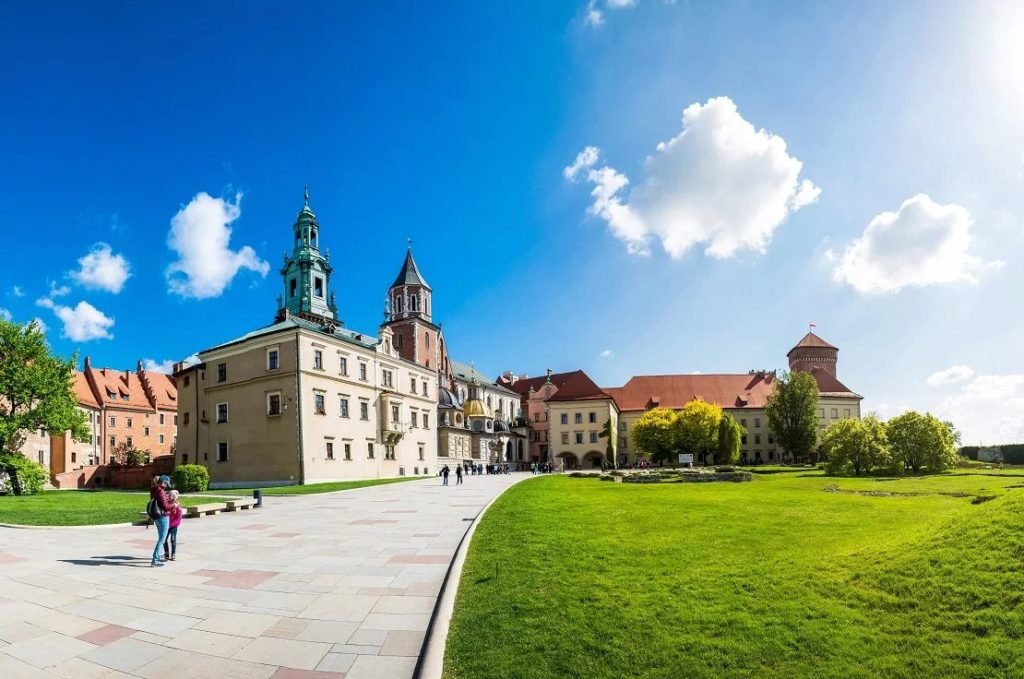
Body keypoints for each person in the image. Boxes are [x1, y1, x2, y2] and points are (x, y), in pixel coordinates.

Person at [149, 475, 172, 567]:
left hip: (157, 517)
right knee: (162, 539)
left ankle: (157, 557)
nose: (166, 486)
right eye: (166, 483)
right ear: (164, 482)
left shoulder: (153, 489)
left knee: (161, 538)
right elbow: (165, 506)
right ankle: (155, 559)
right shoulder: (160, 491)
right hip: (163, 517)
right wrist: (173, 505)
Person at [163, 490, 183, 562]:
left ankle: (173, 554)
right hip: (166, 525)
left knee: (173, 539)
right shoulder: (167, 504)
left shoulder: (177, 506)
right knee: (164, 539)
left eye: (170, 495)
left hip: (173, 526)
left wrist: (172, 524)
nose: (168, 496)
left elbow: (179, 517)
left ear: (174, 497)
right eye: (169, 495)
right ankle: (166, 553)